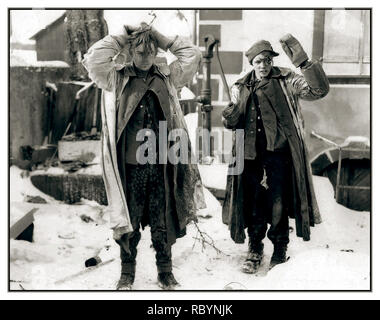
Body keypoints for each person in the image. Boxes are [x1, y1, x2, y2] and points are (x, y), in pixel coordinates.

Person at [82, 22, 205, 290]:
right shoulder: (117, 78)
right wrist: (121, 37)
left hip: (161, 165)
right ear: (131, 51)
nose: (145, 56)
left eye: (150, 50)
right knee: (130, 222)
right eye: (139, 51)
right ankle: (127, 274)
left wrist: (163, 38)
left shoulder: (168, 76)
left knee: (162, 221)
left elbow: (192, 55)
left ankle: (165, 272)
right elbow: (92, 60)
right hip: (130, 166)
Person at [222, 34, 329, 273]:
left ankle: (280, 248)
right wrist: (228, 118)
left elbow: (318, 90)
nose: (264, 65)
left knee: (278, 202)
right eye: (259, 61)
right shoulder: (240, 86)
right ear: (252, 63)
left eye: (267, 60)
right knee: (254, 203)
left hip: (278, 155)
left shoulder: (287, 79)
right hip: (249, 155)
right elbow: (233, 120)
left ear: (272, 61)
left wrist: (303, 62)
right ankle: (255, 248)